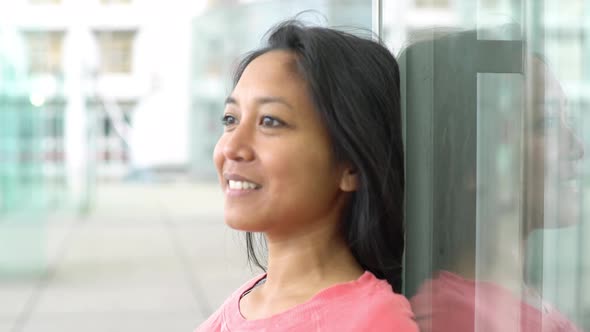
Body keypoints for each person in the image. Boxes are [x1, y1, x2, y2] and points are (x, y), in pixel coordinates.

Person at [195, 20, 418, 331]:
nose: (231, 146)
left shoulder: (372, 322)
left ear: (351, 165)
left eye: (270, 121)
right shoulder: (241, 306)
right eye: (231, 119)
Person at [400, 27, 584, 332]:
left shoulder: (513, 303)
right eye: (547, 122)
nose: (578, 147)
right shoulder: (453, 318)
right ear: (478, 161)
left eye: (568, 120)